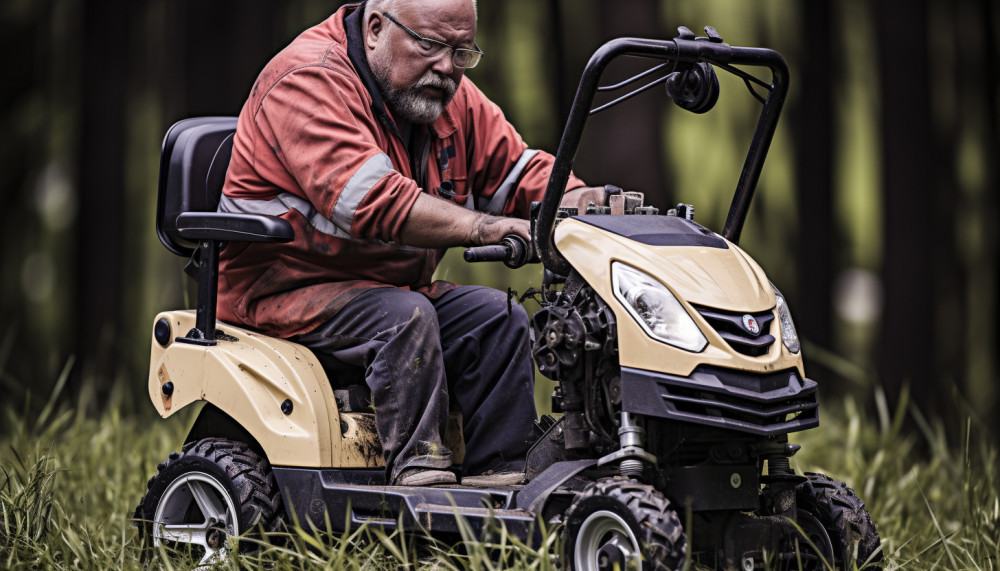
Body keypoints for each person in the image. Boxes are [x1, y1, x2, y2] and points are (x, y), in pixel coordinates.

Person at [216, 0, 605, 487]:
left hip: (383, 291)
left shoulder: (444, 98)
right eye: (429, 45)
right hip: (280, 295)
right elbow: (374, 201)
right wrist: (485, 228)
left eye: (462, 51)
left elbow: (518, 171)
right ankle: (420, 474)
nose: (446, 67)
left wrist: (579, 200)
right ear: (376, 28)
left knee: (498, 317)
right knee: (405, 318)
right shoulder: (306, 80)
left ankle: (503, 476)